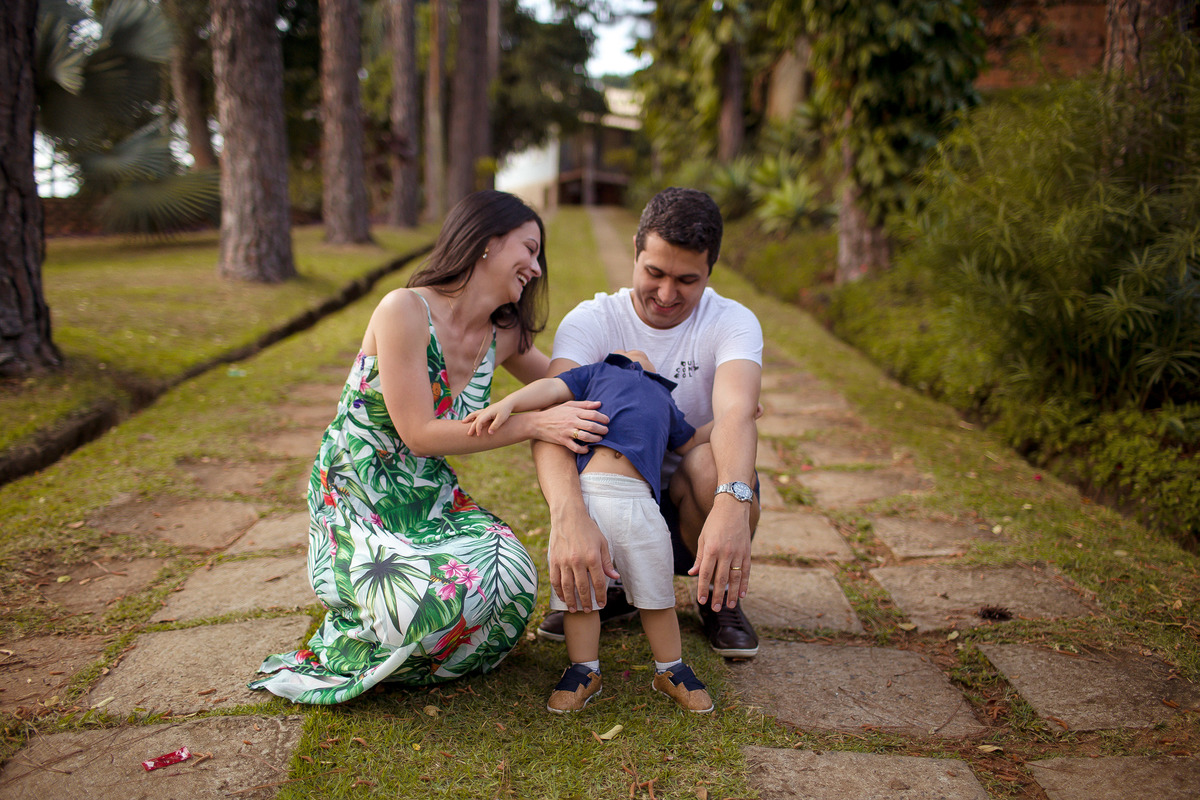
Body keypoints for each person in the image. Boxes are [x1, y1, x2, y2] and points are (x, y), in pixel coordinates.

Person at [249, 190, 608, 704]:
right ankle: (385, 628)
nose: (535, 266)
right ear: (486, 241)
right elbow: (419, 433)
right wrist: (533, 423)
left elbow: (574, 382)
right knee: (430, 597)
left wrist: (638, 373)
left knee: (513, 576)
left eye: (539, 256)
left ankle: (420, 640)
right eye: (528, 249)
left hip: (432, 500)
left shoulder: (502, 336)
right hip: (356, 501)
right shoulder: (404, 309)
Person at [532, 187, 763, 660]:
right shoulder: (592, 320)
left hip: (689, 504)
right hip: (607, 494)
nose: (666, 294)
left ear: (710, 272)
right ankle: (608, 586)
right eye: (654, 272)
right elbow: (552, 422)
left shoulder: (733, 322)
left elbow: (736, 414)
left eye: (686, 280)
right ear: (636, 251)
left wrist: (732, 504)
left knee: (706, 463)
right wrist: (568, 516)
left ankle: (717, 596)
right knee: (584, 469)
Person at [465, 350, 715, 713]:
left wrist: (729, 420)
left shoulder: (666, 398)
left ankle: (670, 669)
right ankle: (584, 670)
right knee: (580, 592)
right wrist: (509, 403)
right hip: (586, 498)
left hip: (641, 502)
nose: (637, 353)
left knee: (656, 593)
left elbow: (691, 441)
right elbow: (550, 388)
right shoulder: (597, 373)